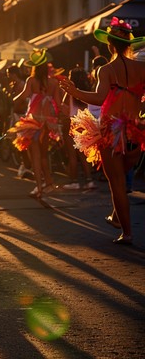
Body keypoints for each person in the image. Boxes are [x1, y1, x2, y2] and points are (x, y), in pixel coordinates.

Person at [60, 17, 145, 244]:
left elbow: (98, 97)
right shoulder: (142, 68)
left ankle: (126, 232)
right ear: (130, 44)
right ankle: (118, 216)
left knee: (116, 182)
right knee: (122, 177)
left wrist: (75, 91)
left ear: (109, 45)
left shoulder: (106, 70)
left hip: (110, 132)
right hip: (136, 132)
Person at [8, 48, 63, 198]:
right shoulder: (53, 83)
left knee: (35, 157)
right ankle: (49, 183)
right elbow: (58, 104)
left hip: (32, 123)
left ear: (34, 67)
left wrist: (14, 99)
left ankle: (39, 187)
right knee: (44, 155)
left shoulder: (31, 81)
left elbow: (23, 96)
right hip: (47, 123)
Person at [61, 66, 96, 190]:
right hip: (85, 123)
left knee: (72, 154)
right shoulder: (88, 91)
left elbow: (64, 109)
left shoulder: (70, 91)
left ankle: (74, 181)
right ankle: (89, 180)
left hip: (72, 122)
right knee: (83, 154)